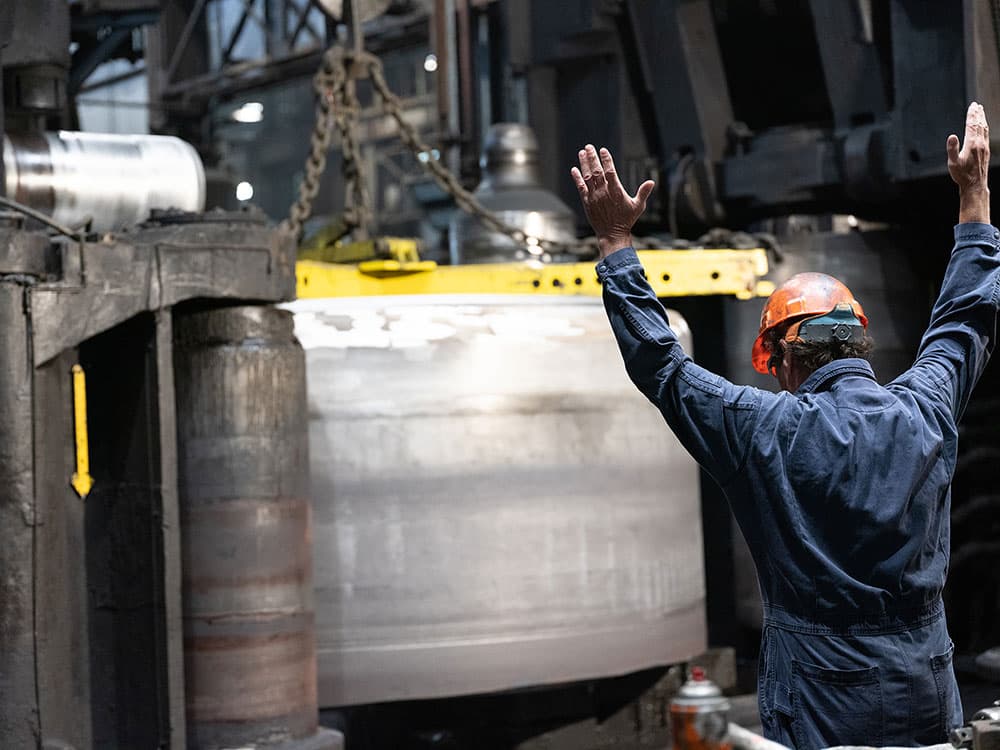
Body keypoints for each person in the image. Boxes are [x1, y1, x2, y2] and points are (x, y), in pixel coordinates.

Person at [570, 101, 998, 748]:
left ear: (785, 363)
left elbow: (661, 366)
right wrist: (975, 194)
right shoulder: (926, 406)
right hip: (926, 683)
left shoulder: (760, 428)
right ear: (861, 341)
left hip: (823, 693)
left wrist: (615, 244)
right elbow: (966, 317)